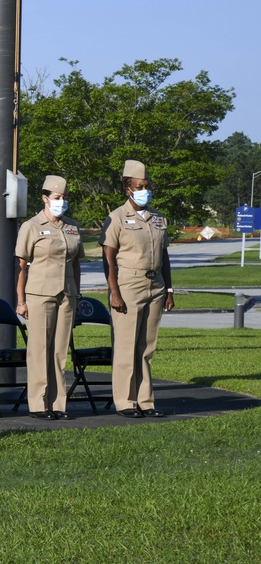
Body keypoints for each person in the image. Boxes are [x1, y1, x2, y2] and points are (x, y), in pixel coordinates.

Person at [99, 159, 174, 418]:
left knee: (146, 347)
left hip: (156, 284)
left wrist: (170, 290)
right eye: (139, 186)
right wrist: (115, 292)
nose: (145, 190)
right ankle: (125, 401)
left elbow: (164, 256)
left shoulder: (158, 218)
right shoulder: (117, 217)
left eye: (147, 185)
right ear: (128, 189)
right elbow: (108, 258)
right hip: (128, 284)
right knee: (126, 346)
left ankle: (146, 401)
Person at [14, 175, 82, 420]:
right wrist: (20, 301)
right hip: (39, 294)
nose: (61, 202)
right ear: (45, 199)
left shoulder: (71, 226)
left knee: (59, 351)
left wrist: (77, 293)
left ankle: (57, 403)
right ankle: (38, 404)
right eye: (56, 198)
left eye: (64, 198)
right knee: (39, 349)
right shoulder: (31, 226)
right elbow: (20, 266)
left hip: (66, 294)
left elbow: (75, 264)